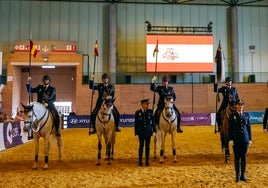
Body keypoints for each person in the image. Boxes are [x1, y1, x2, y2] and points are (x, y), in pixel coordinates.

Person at [26, 75, 60, 139]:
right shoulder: (39, 87)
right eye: (44, 80)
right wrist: (28, 82)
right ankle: (31, 132)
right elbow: (30, 90)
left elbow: (54, 99)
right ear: (43, 80)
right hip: (39, 106)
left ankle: (57, 130)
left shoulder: (53, 89)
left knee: (56, 114)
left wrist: (48, 103)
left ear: (49, 81)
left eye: (47, 80)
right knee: (32, 115)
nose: (45, 81)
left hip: (49, 105)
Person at [228, 99, 252, 182]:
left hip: (245, 139)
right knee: (237, 158)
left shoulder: (246, 115)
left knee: (244, 158)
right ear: (236, 106)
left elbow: (249, 128)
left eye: (241, 105)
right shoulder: (232, 115)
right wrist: (230, 139)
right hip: (236, 140)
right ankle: (237, 175)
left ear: (243, 106)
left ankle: (243, 175)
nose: (240, 106)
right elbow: (230, 129)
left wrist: (250, 139)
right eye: (238, 105)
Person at [134, 98, 156, 166]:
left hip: (148, 132)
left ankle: (147, 161)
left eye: (148, 104)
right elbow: (136, 124)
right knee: (141, 147)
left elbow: (153, 122)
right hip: (141, 133)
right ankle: (140, 161)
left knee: (147, 147)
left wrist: (154, 131)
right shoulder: (138, 113)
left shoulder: (150, 112)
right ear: (142, 104)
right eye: (146, 104)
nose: (147, 105)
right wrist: (136, 134)